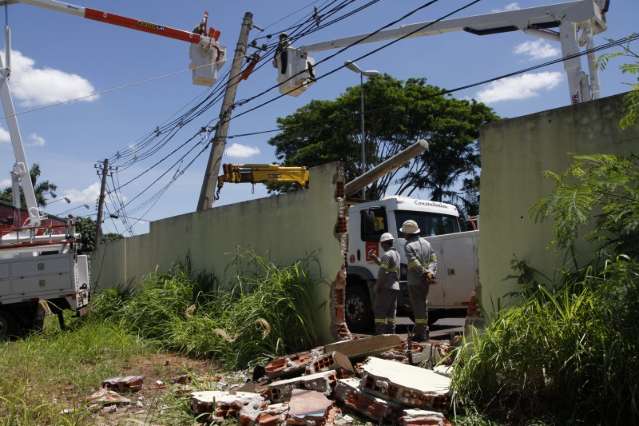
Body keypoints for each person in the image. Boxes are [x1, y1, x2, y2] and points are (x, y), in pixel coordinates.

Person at [400, 219, 438, 342]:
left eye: (404, 232)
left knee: (418, 306)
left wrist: (424, 272)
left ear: (408, 233)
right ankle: (423, 330)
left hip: (415, 281)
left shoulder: (408, 245)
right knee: (423, 304)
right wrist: (431, 272)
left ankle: (421, 334)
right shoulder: (427, 243)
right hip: (425, 281)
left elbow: (413, 262)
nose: (403, 235)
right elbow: (434, 259)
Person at [369, 232, 400, 335]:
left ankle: (380, 336)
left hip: (386, 287)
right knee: (391, 313)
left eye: (381, 244)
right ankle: (392, 335)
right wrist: (375, 258)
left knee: (380, 312)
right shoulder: (396, 254)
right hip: (395, 287)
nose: (381, 246)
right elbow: (389, 267)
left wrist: (377, 286)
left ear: (384, 243)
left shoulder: (386, 255)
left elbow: (383, 272)